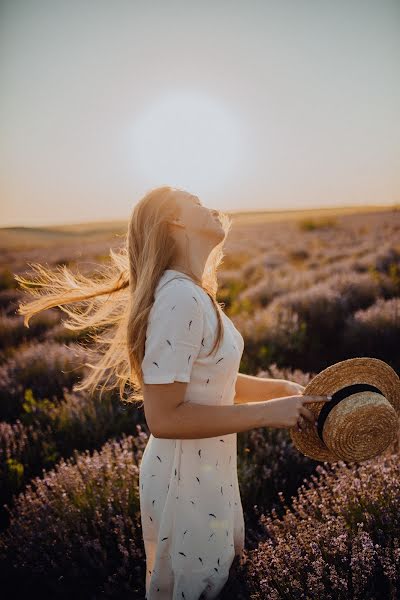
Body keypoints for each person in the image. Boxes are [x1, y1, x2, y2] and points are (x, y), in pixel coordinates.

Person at [16, 185, 330, 600]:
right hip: (185, 476)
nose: (211, 206)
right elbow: (164, 418)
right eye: (196, 203)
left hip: (206, 468)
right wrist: (272, 412)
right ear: (175, 221)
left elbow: (212, 383)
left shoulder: (193, 293)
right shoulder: (179, 298)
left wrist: (278, 389)